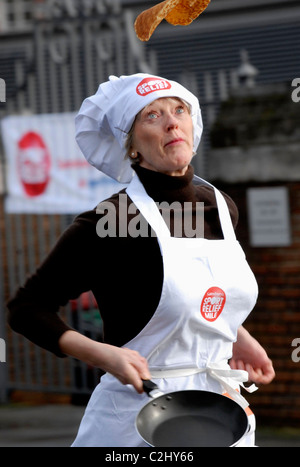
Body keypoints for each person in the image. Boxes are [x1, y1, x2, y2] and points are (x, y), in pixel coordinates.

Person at [7, 73, 275, 447]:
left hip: (220, 412)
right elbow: (26, 307)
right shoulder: (113, 221)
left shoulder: (219, 207)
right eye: (151, 115)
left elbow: (200, 293)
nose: (171, 121)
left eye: (179, 109)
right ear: (131, 147)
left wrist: (233, 335)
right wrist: (105, 355)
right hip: (136, 418)